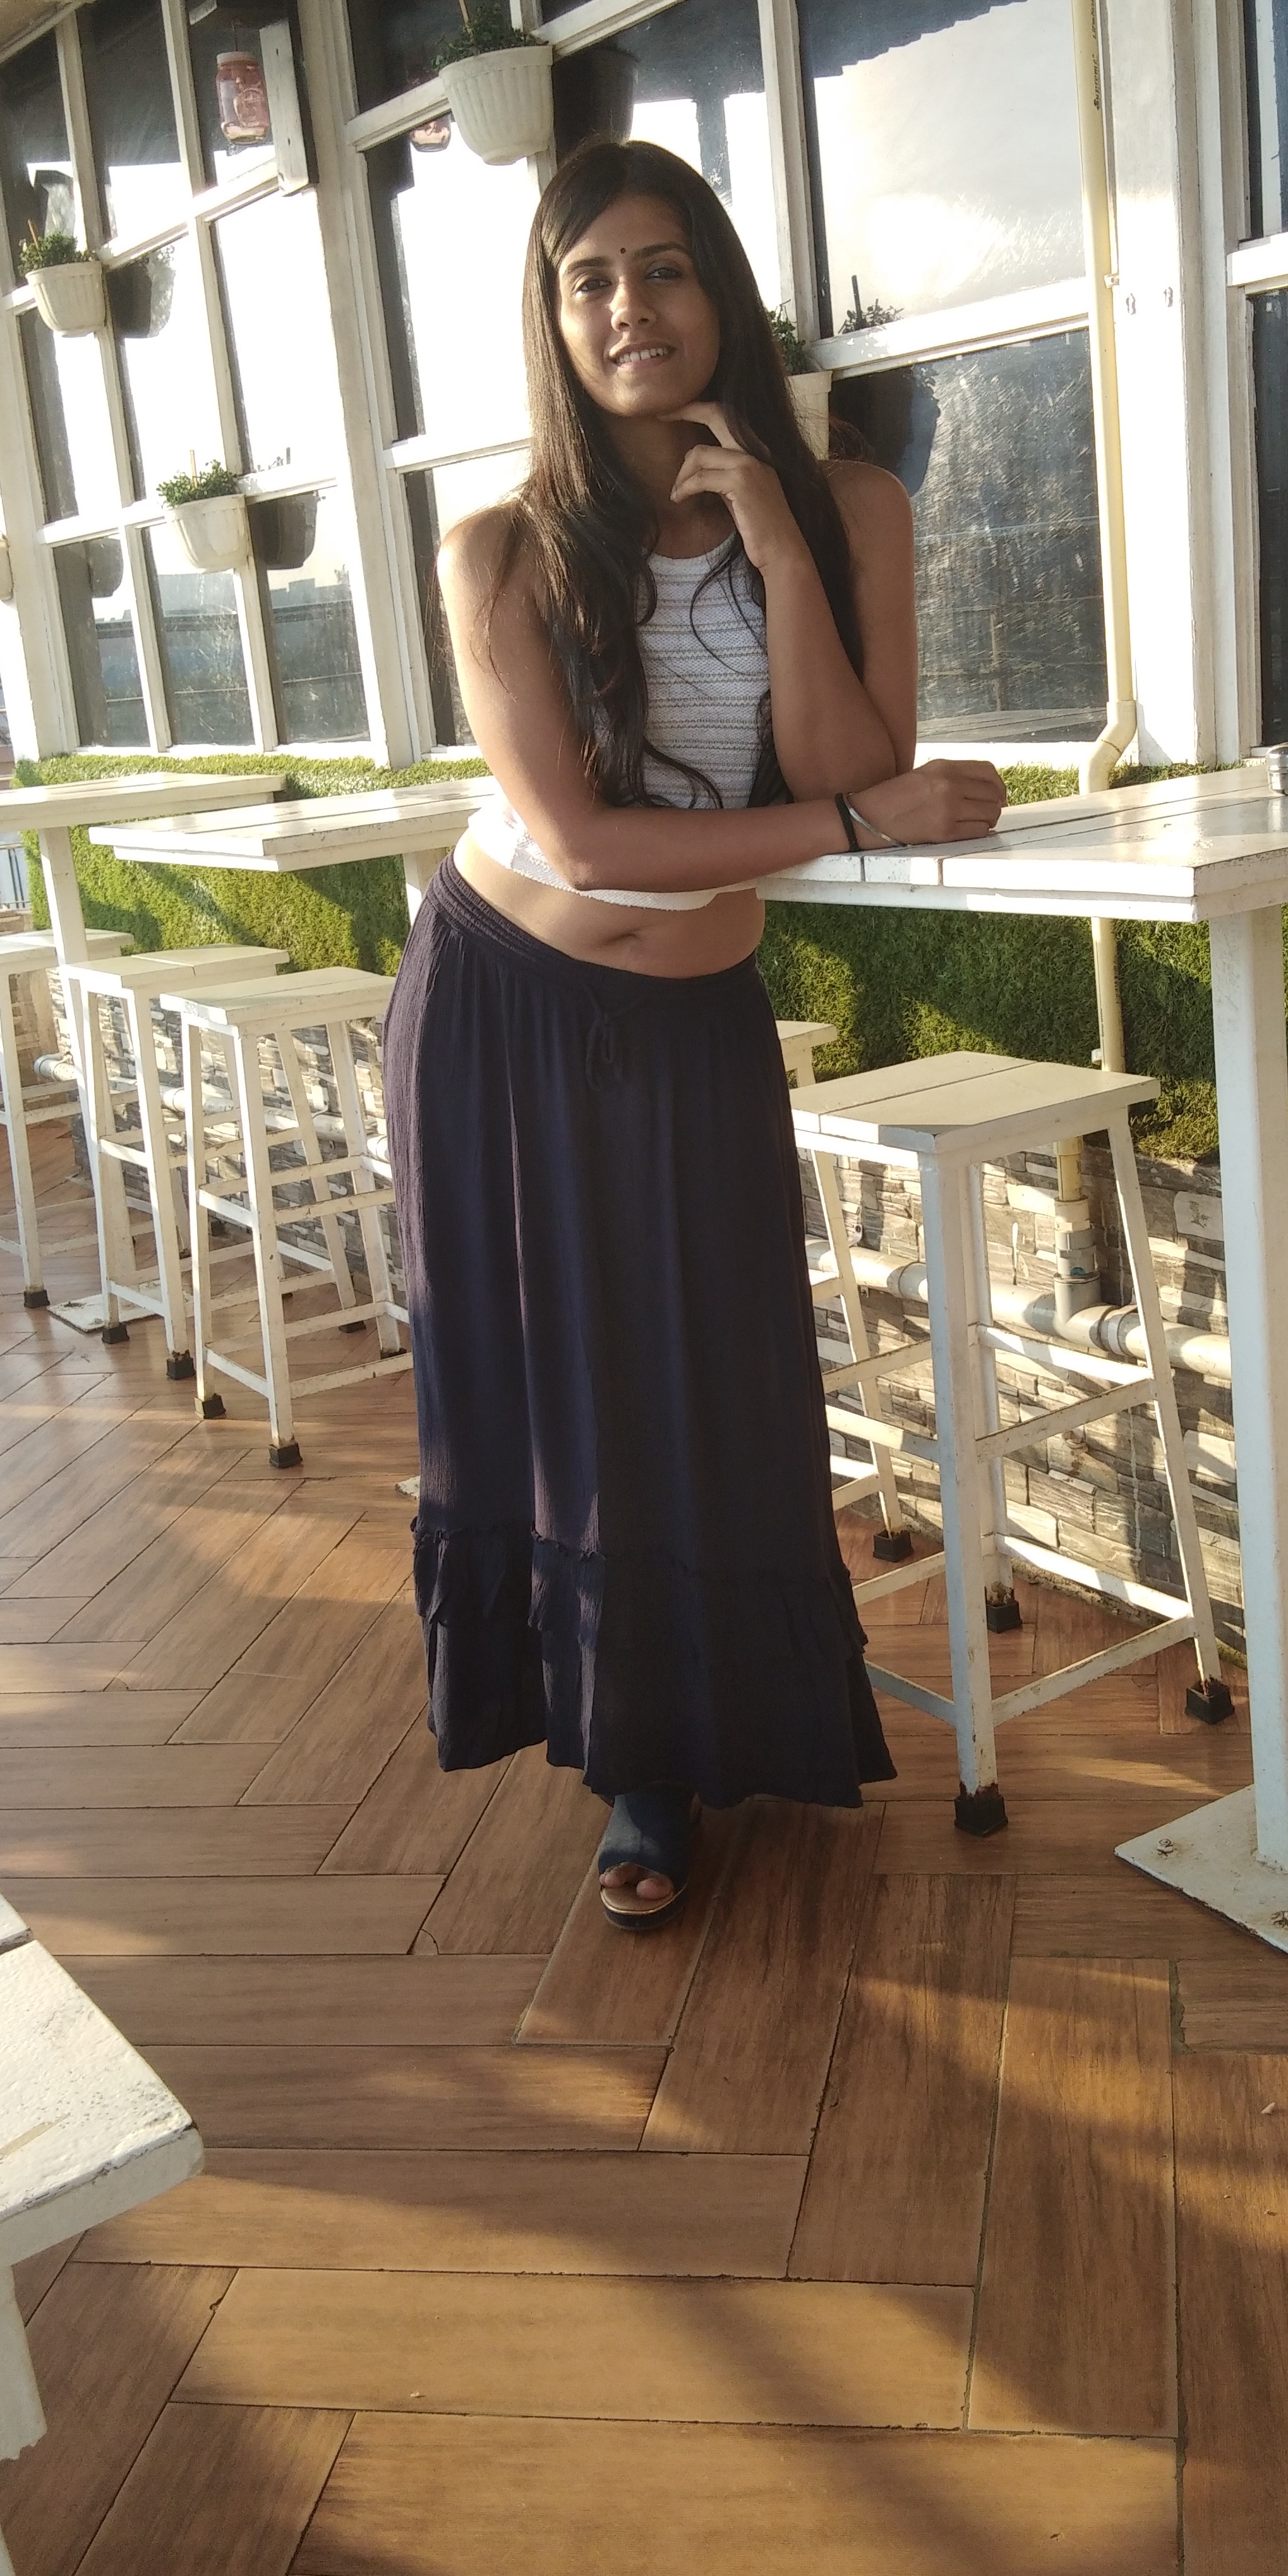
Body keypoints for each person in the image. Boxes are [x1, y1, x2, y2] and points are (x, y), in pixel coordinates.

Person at [382, 136, 1005, 1930]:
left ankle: (737, 1720)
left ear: (717, 287)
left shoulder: (852, 506)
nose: (628, 309)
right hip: (499, 1012)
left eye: (661, 268)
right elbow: (585, 844)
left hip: (687, 1022)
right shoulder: (500, 549)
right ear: (551, 319)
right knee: (569, 1400)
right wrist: (861, 826)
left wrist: (775, 542)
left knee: (718, 1384)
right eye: (587, 281)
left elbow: (850, 758)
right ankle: (633, 1773)